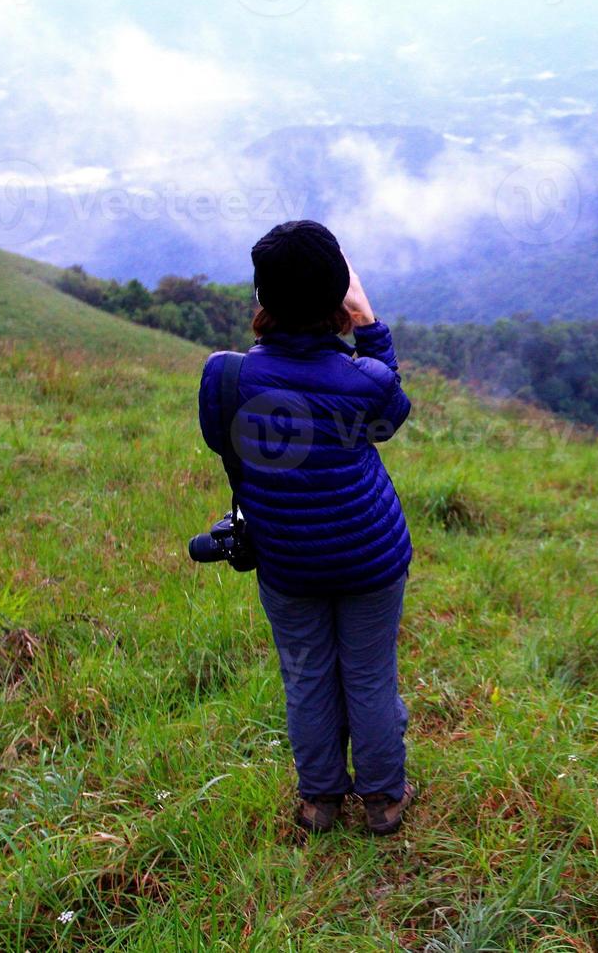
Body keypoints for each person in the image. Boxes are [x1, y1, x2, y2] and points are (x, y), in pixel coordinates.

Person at [198, 220, 415, 837]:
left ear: (262, 299)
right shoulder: (362, 379)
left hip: (287, 560)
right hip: (371, 555)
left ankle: (320, 802)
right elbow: (388, 416)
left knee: (307, 677)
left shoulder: (227, 376)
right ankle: (384, 802)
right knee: (370, 676)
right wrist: (370, 324)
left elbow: (222, 439)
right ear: (337, 298)